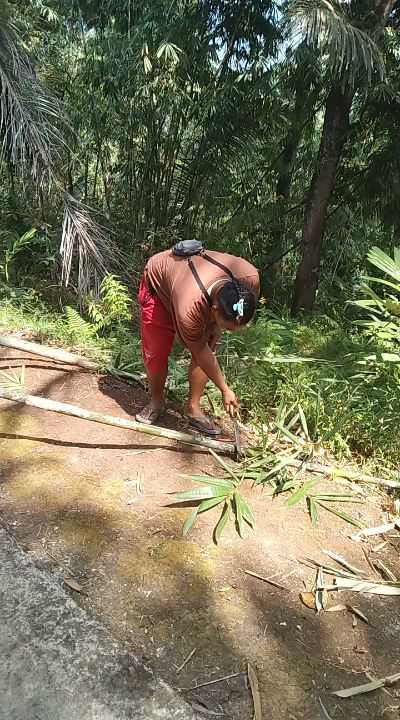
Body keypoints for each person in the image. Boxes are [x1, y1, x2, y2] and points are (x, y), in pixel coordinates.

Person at [136, 243, 260, 436]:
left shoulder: (249, 278)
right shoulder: (191, 307)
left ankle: (193, 408)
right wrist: (225, 389)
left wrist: (216, 329)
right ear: (214, 310)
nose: (230, 332)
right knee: (157, 351)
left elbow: (208, 347)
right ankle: (157, 401)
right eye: (227, 328)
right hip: (159, 287)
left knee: (210, 340)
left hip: (194, 289)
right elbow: (200, 352)